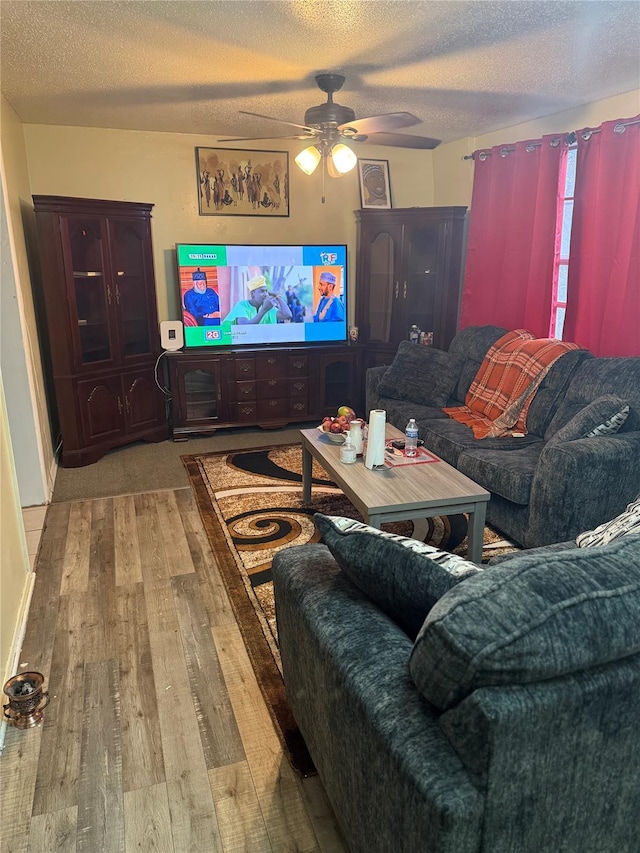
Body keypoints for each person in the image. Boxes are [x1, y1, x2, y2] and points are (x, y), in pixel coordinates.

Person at [223, 274, 292, 325]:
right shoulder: (242, 305)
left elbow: (287, 315)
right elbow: (244, 327)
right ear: (253, 294)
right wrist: (264, 310)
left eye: (266, 291)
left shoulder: (268, 307)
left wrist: (277, 296)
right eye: (262, 291)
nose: (265, 294)